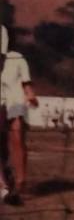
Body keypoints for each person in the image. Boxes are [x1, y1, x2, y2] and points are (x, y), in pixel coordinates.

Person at [0, 26, 39, 205]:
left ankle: (21, 181)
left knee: (17, 137)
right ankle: (3, 185)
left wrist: (30, 95)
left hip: (15, 100)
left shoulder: (17, 59)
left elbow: (26, 84)